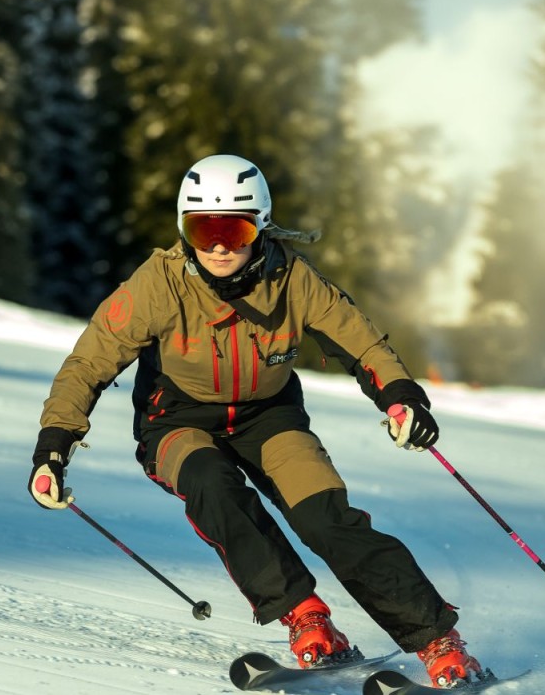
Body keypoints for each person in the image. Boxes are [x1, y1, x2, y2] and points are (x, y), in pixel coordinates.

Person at [27, 154, 487, 688]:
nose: (219, 246)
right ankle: (305, 617)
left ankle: (437, 642)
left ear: (261, 227)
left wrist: (400, 398)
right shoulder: (158, 284)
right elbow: (89, 363)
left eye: (236, 230)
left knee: (325, 519)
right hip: (176, 421)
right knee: (212, 485)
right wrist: (53, 446)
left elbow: (361, 343)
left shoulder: (292, 279)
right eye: (203, 230)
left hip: (269, 417)